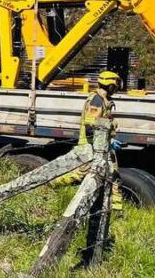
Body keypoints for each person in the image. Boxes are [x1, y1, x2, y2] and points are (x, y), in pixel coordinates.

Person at [51, 70, 123, 211]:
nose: (117, 88)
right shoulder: (96, 100)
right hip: (91, 146)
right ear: (110, 85)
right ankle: (50, 184)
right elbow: (90, 126)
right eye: (116, 85)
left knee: (114, 176)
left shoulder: (105, 100)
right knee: (79, 174)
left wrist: (110, 138)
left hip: (103, 146)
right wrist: (106, 137)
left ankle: (116, 211)